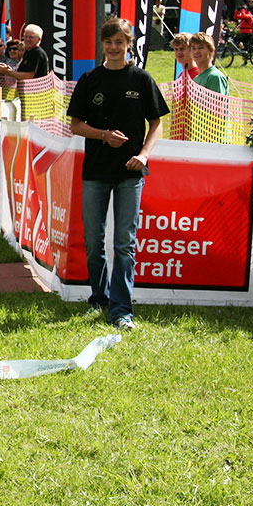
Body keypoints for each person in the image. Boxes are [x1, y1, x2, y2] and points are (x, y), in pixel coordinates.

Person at [66, 18, 169, 330]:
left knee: (124, 242)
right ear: (103, 44)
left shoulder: (142, 79)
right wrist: (104, 135)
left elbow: (157, 123)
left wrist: (144, 154)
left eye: (119, 43)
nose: (113, 48)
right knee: (93, 239)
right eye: (109, 42)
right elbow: (76, 125)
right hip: (95, 171)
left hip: (130, 173)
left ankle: (121, 311)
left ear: (128, 44)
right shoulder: (89, 80)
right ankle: (99, 299)